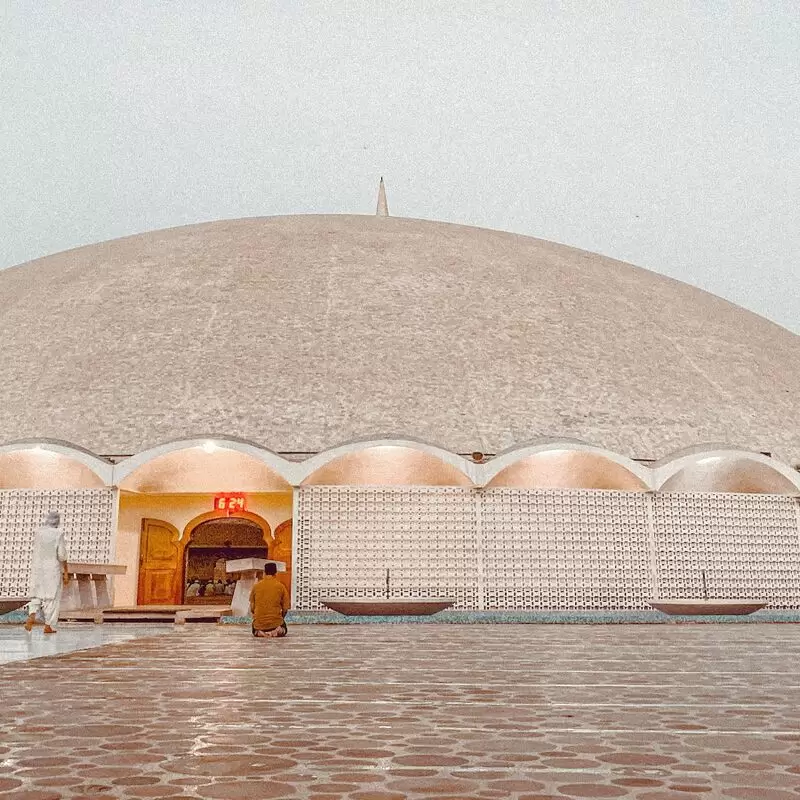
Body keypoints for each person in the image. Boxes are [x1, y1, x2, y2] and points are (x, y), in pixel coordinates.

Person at [24, 511, 69, 634]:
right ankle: (49, 625)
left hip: (37, 568)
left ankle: (32, 613)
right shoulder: (58, 533)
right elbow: (62, 555)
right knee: (52, 598)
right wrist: (66, 571)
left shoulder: (39, 532)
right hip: (52, 569)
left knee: (37, 594)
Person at [249, 562, 289, 638]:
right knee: (284, 629)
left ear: (264, 572)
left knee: (254, 627)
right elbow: (285, 608)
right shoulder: (281, 586)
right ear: (276, 573)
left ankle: (260, 632)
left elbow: (252, 608)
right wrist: (281, 618)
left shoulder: (256, 586)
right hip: (276, 624)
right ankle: (276, 631)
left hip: (259, 625)